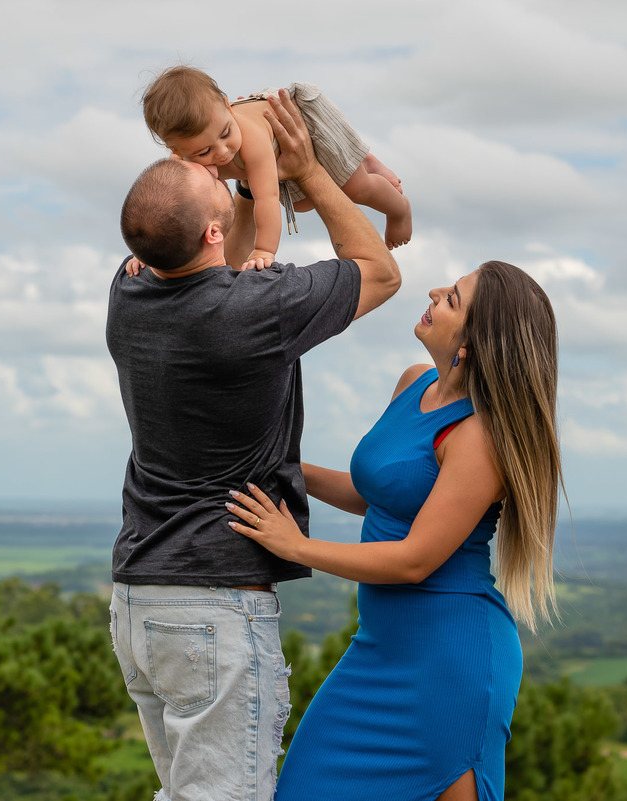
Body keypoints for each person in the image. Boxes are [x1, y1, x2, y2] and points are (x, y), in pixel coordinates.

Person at [106, 90, 401, 801]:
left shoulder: (127, 293)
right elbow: (382, 272)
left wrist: (241, 182)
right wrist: (309, 168)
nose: (222, 166)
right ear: (212, 232)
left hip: (140, 599)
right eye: (213, 176)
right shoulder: (254, 310)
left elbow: (209, 251)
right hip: (215, 608)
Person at [228, 260, 563, 801]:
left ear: (473, 344)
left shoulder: (479, 436)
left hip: (450, 664)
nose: (434, 292)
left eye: (452, 298)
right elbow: (376, 494)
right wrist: (283, 468)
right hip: (377, 651)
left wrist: (297, 547)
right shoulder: (415, 383)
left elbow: (415, 559)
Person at [142, 65, 412, 268]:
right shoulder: (181, 163)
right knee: (304, 204)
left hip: (297, 122)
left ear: (228, 107)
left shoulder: (251, 141)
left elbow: (267, 199)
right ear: (177, 151)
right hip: (273, 153)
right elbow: (167, 213)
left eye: (225, 134)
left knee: (357, 186)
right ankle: (360, 158)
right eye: (204, 152)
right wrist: (147, 256)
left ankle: (398, 209)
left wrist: (264, 250)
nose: (223, 152)